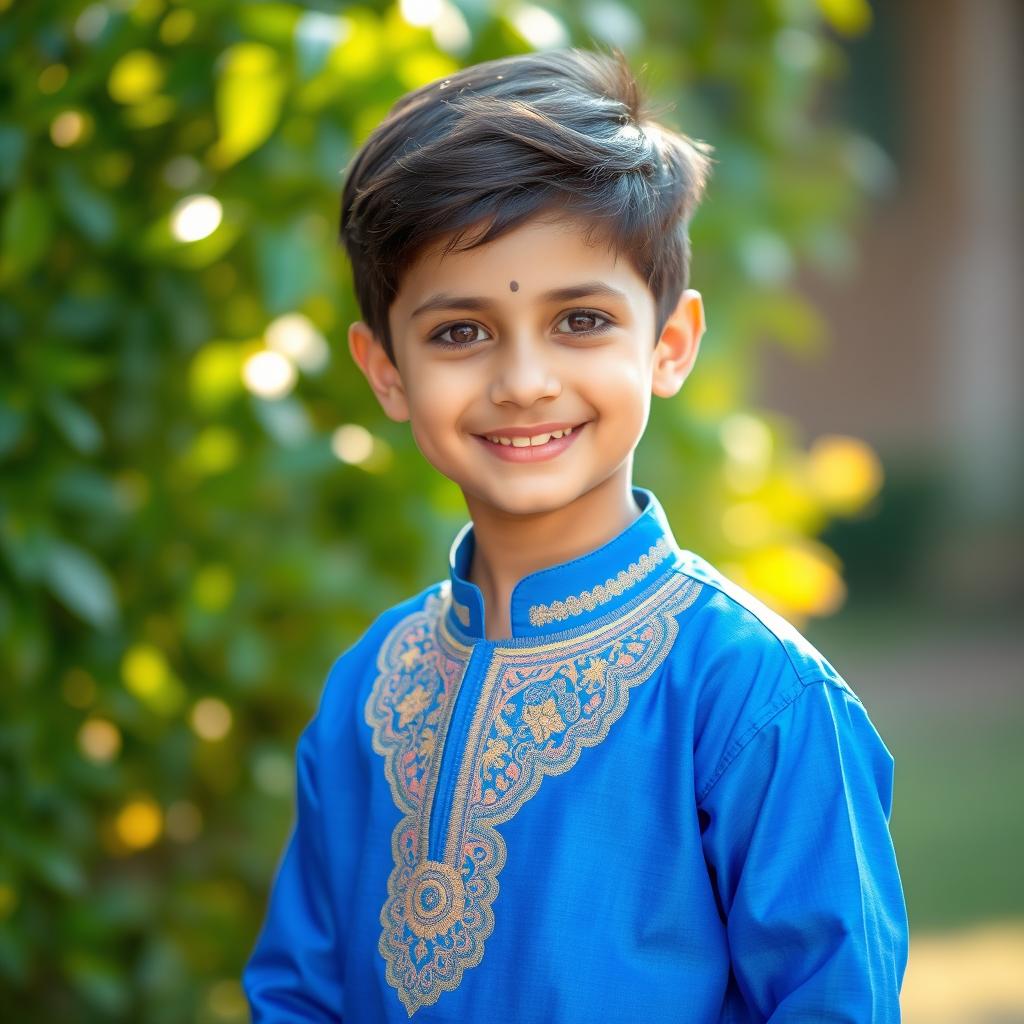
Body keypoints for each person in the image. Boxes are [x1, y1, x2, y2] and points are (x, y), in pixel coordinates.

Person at [243, 48, 909, 1022]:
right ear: (385, 369)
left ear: (669, 345)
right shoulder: (370, 687)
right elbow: (298, 996)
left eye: (582, 320)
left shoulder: (753, 697)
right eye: (460, 332)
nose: (523, 381)